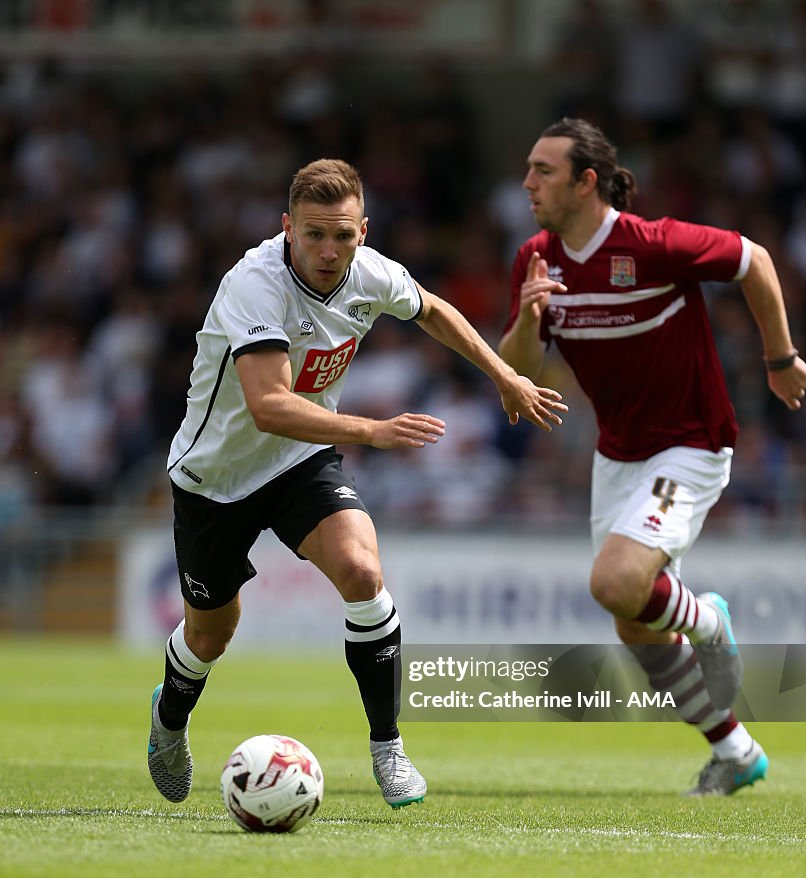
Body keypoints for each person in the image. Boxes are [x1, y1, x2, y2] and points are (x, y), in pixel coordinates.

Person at [148, 157, 568, 809]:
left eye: (343, 235)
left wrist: (502, 375)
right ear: (287, 228)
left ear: (363, 231)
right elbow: (268, 404)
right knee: (210, 635)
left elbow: (432, 310)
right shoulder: (253, 287)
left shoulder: (369, 274)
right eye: (314, 234)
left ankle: (388, 746)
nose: (328, 250)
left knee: (363, 574)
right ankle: (169, 724)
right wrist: (371, 432)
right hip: (216, 478)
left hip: (300, 460)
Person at [499, 118, 806, 797]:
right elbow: (518, 383)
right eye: (528, 168)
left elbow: (753, 259)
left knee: (614, 583)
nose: (528, 182)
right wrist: (527, 318)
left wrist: (779, 356)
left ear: (586, 181)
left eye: (543, 170)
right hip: (620, 455)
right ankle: (737, 750)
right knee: (632, 622)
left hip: (692, 442)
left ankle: (707, 619)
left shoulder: (654, 244)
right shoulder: (537, 261)